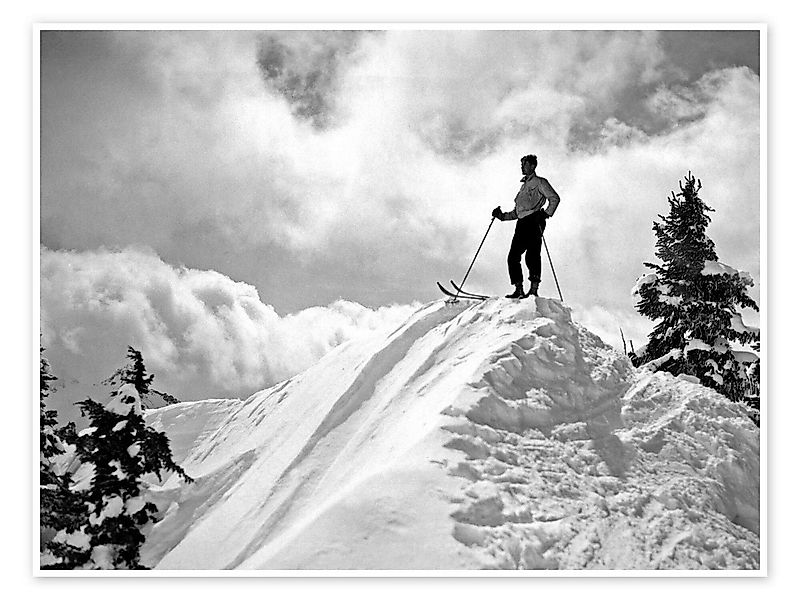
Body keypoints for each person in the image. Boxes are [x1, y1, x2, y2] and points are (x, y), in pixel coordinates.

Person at [492, 154, 560, 298]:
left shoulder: (540, 182)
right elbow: (518, 212)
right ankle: (519, 289)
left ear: (533, 166)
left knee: (532, 255)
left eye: (524, 164)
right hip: (522, 223)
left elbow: (554, 198)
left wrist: (546, 214)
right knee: (513, 256)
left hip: (534, 220)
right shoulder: (523, 187)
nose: (522, 167)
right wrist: (502, 216)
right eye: (522, 164)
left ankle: (533, 290)